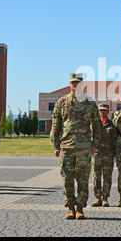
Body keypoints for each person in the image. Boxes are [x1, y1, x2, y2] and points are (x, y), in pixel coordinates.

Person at [50, 73, 101, 220]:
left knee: (83, 179)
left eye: (78, 83)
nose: (75, 85)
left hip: (84, 147)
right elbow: (56, 125)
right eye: (73, 83)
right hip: (66, 147)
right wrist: (56, 145)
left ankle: (80, 208)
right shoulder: (62, 102)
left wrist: (94, 144)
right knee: (67, 179)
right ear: (69, 84)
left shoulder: (89, 102)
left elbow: (97, 125)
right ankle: (70, 208)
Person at [91, 103, 117, 207]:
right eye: (101, 110)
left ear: (108, 112)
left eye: (104, 110)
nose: (102, 112)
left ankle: (105, 198)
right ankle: (97, 198)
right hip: (97, 153)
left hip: (108, 154)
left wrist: (115, 154)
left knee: (107, 177)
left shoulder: (112, 124)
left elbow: (114, 139)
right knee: (96, 176)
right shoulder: (94, 124)